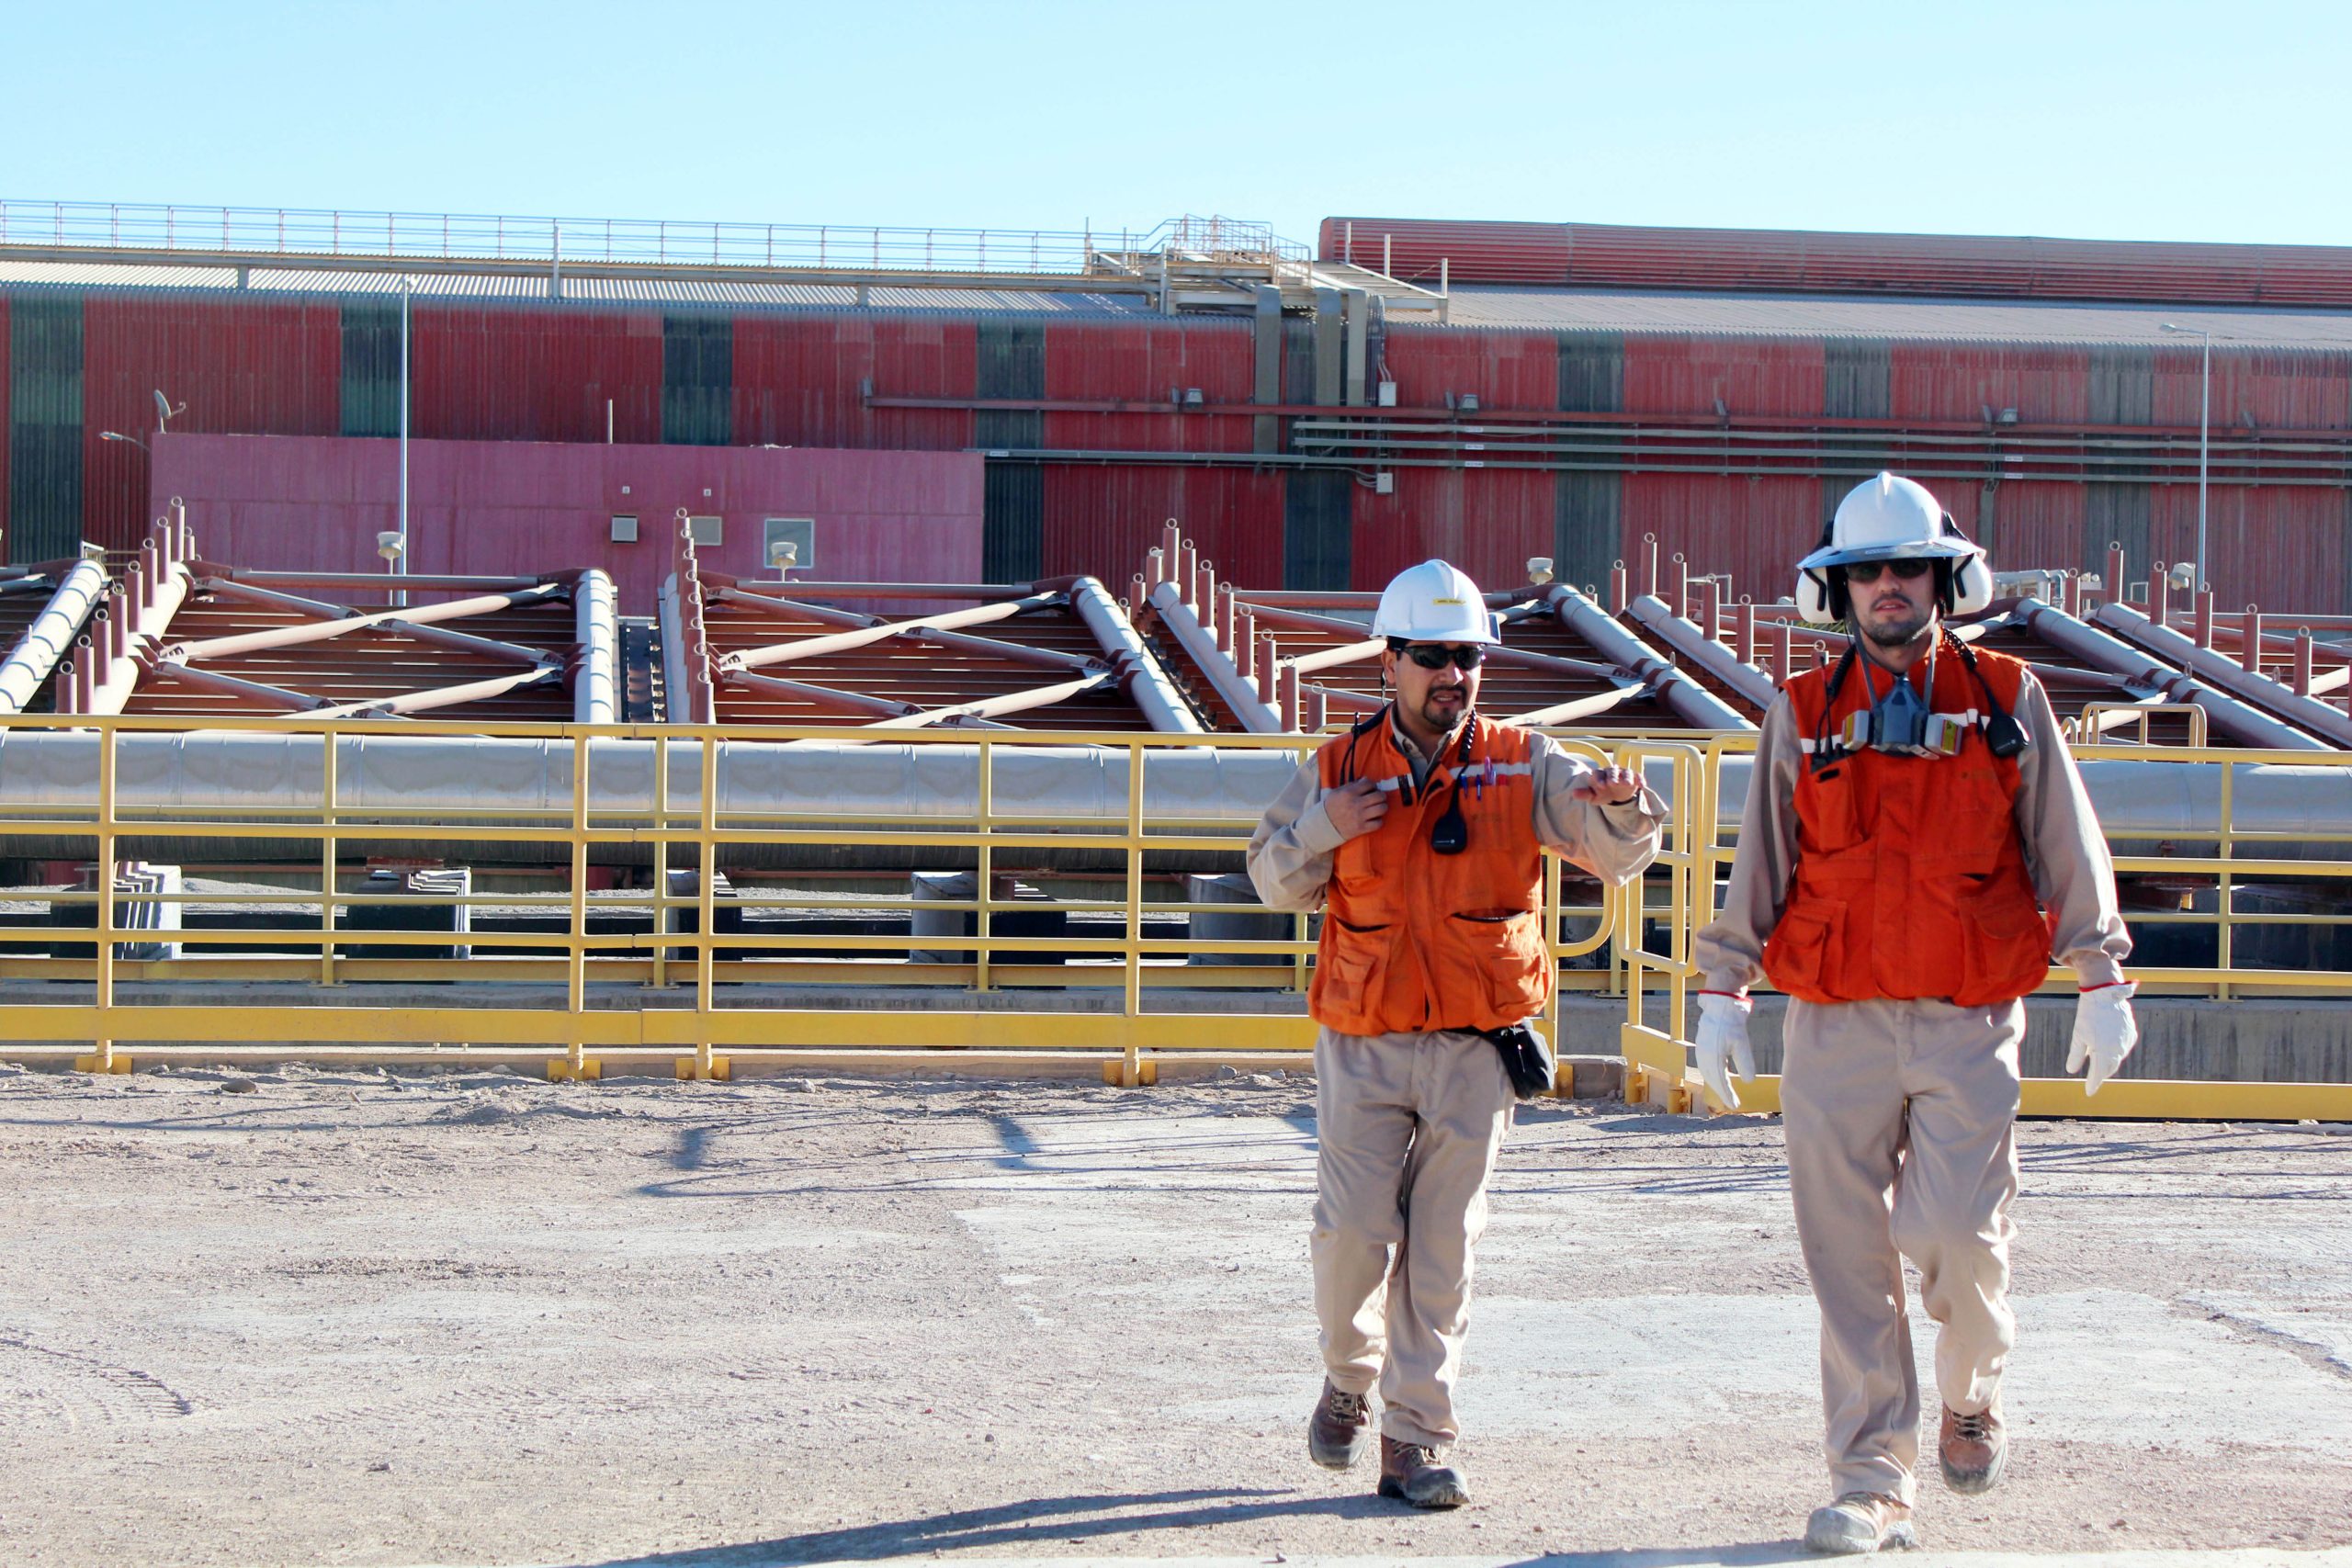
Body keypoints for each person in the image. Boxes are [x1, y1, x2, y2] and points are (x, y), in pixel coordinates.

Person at [1692, 473, 2137, 1554]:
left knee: (1955, 1241)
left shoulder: (2005, 698)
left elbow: (2065, 841)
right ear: (1836, 589)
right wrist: (1721, 992)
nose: (1887, 585)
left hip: (1964, 1018)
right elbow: (1761, 861)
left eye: (1907, 568)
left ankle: (1971, 1392)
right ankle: (1870, 1482)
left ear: (1944, 579)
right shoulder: (1802, 711)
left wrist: (2101, 976)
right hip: (1833, 1023)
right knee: (1847, 1266)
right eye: (1866, 571)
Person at [1246, 558, 1664, 1509]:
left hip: (1478, 1047)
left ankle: (1417, 1439)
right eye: (1432, 656)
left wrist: (1625, 807)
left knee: (1442, 1251)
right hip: (1366, 1039)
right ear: (1388, 663)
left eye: (1467, 657)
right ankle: (1348, 1378)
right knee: (1352, 1235)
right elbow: (1270, 879)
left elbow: (1617, 856)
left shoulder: (1525, 762)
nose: (1452, 674)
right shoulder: (1338, 769)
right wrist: (1323, 827)